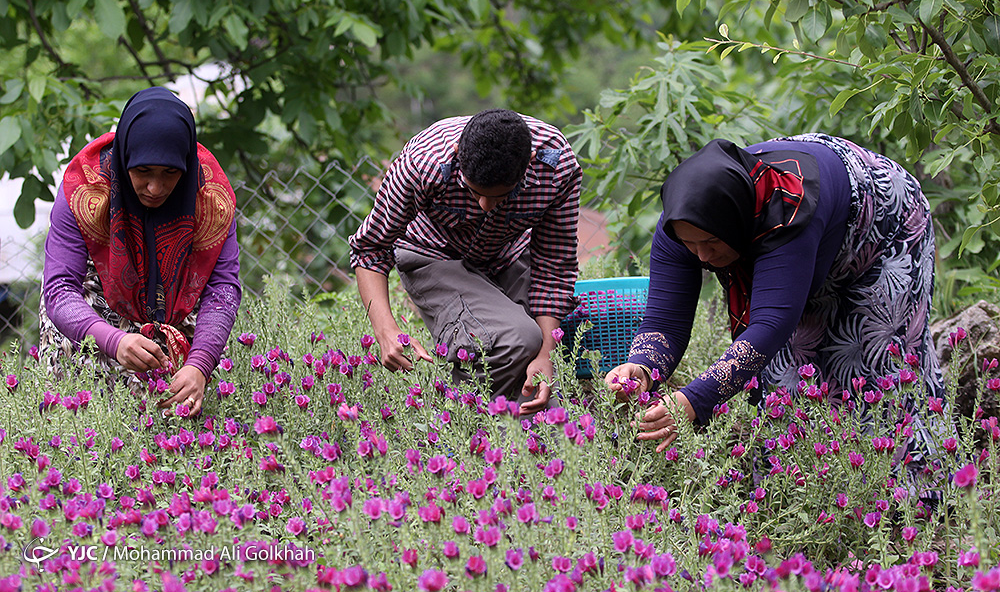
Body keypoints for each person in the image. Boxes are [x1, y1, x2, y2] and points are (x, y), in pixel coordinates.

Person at [605, 133, 945, 461]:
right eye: (691, 245)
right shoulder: (682, 225)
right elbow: (665, 321)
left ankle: (914, 496)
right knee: (786, 378)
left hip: (882, 230)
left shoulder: (785, 213)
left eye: (710, 243)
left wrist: (694, 400)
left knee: (877, 366)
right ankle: (807, 500)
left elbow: (770, 325)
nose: (702, 256)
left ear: (735, 223)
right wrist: (643, 367)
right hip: (810, 234)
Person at [349, 109, 581, 415]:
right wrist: (385, 330)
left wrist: (546, 356)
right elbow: (370, 247)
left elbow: (554, 264)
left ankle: (523, 448)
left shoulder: (556, 167)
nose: (485, 206)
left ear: (527, 168)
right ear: (458, 154)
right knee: (516, 340)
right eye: (475, 192)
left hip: (506, 252)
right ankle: (459, 436)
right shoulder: (423, 163)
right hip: (433, 253)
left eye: (501, 198)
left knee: (541, 365)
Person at [40, 87, 241, 416]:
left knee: (174, 429)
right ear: (125, 158)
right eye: (142, 171)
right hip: (93, 312)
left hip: (175, 304)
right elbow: (60, 289)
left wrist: (200, 364)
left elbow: (222, 288)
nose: (155, 188)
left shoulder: (211, 198)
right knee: (85, 427)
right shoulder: (85, 188)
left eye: (170, 173)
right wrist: (113, 340)